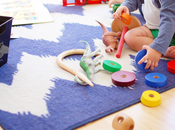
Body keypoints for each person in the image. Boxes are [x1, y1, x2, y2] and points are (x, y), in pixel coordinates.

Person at [111, 0, 175, 71]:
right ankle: (165, 50)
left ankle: (160, 48)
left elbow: (169, 22)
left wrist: (158, 47)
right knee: (129, 36)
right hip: (154, 28)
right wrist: (126, 6)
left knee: (160, 43)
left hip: (171, 29)